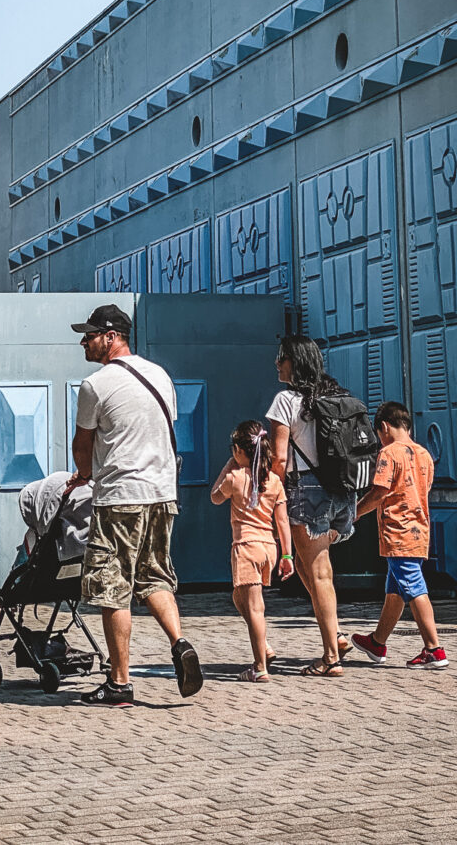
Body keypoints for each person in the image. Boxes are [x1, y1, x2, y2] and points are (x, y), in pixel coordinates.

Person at [69, 303, 203, 707]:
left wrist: (82, 474)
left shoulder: (96, 385)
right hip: (163, 494)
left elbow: (83, 447)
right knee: (155, 577)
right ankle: (179, 643)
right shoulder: (161, 376)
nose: (84, 342)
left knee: (113, 588)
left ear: (112, 337)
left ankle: (120, 682)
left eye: (90, 335)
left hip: (120, 498)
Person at [266, 335, 355, 677]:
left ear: (295, 361)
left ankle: (331, 657)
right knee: (308, 568)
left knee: (318, 572)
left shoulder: (285, 401)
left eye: (281, 357)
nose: (277, 363)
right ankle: (336, 636)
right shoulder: (336, 395)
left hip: (305, 489)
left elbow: (279, 458)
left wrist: (267, 496)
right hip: (342, 491)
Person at [350, 401, 447, 669]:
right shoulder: (425, 454)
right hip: (419, 530)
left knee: (414, 587)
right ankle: (377, 642)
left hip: (397, 531)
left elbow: (380, 492)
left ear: (384, 427)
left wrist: (355, 512)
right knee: (395, 590)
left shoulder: (388, 454)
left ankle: (434, 649)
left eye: (378, 433)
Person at [210, 419, 294, 683]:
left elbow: (214, 495)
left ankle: (260, 666)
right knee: (239, 598)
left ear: (239, 450)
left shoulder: (235, 478)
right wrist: (287, 555)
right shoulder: (275, 482)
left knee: (256, 609)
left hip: (246, 547)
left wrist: (230, 464)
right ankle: (264, 645)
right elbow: (282, 522)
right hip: (268, 548)